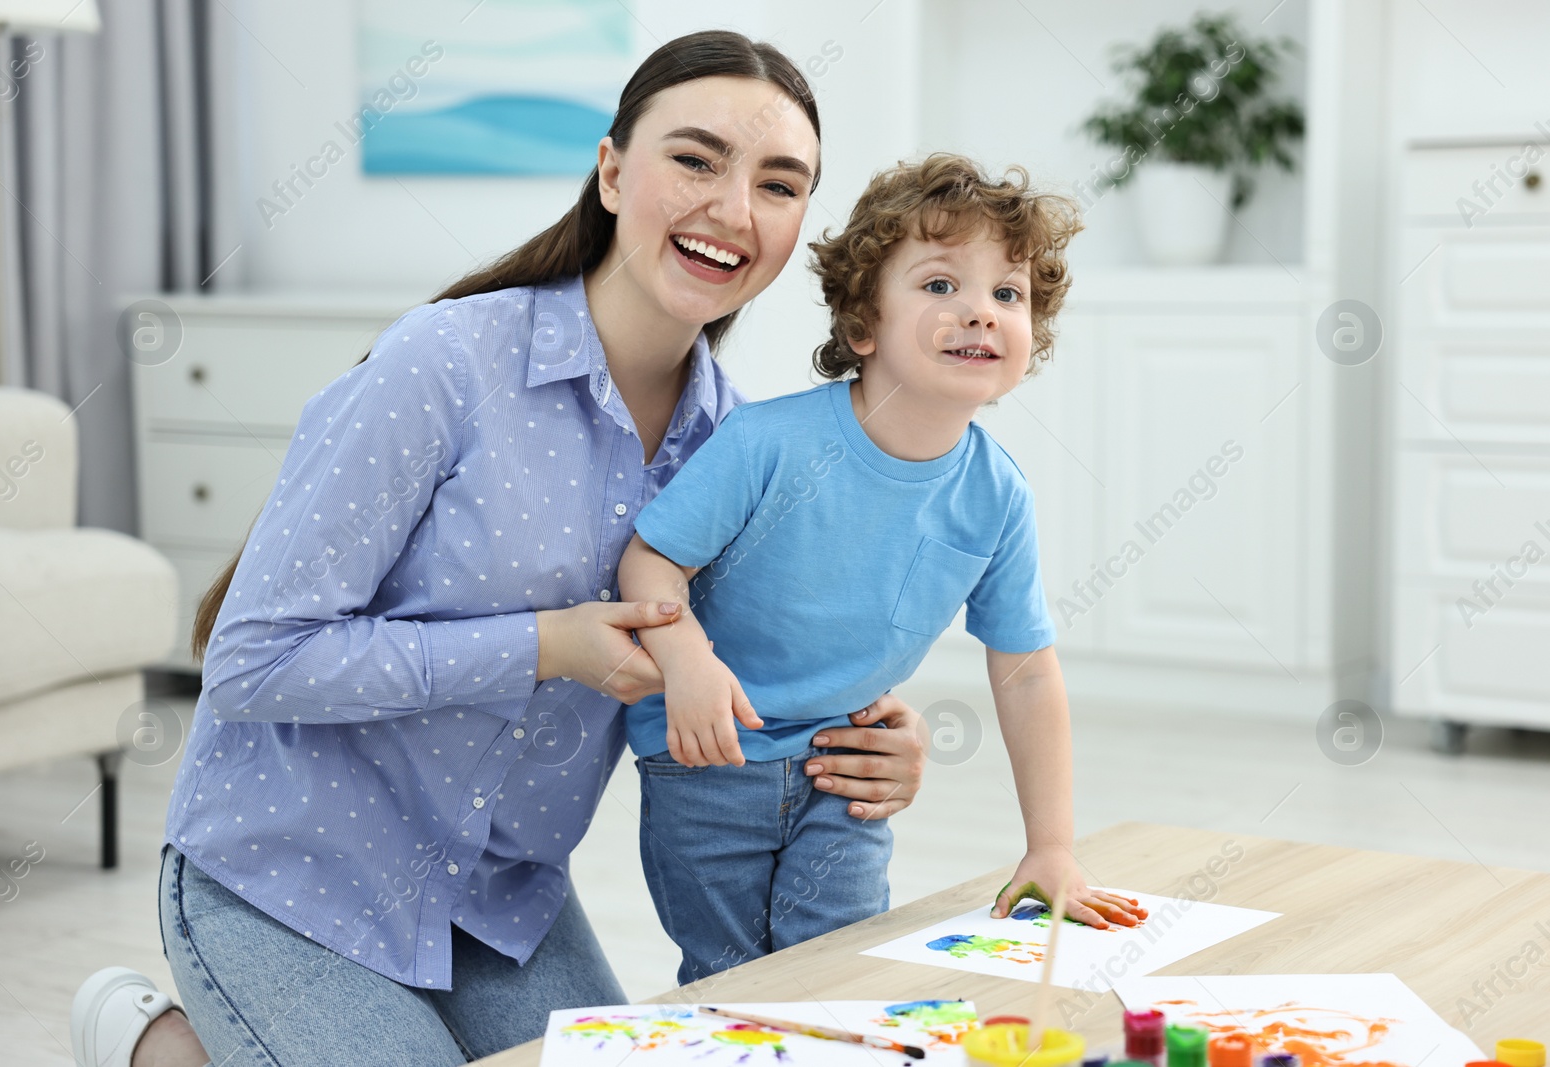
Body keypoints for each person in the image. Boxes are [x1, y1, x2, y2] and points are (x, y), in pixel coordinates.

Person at [69, 30, 930, 1067]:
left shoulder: (741, 449)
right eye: (694, 159)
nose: (734, 211)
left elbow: (746, 682)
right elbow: (250, 660)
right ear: (612, 171)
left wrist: (869, 738)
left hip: (500, 902)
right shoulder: (447, 364)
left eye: (778, 184)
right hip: (283, 874)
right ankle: (160, 1043)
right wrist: (544, 644)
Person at [616, 153, 1150, 985]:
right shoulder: (768, 444)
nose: (980, 311)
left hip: (850, 764)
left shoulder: (998, 494)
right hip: (710, 762)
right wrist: (683, 660)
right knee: (727, 978)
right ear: (862, 325)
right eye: (940, 285)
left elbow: (1025, 672)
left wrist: (1050, 845)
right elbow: (650, 560)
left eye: (1007, 295)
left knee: (835, 969)